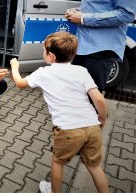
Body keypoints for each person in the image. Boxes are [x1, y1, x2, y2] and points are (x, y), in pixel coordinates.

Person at [10, 32, 109, 193]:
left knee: (58, 162)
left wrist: (15, 68)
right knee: (95, 166)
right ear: (73, 54)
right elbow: (99, 100)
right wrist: (102, 118)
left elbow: (20, 83)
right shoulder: (81, 71)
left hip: (68, 130)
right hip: (92, 127)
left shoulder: (44, 73)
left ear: (51, 56)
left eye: (44, 50)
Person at [65, 0, 136, 92]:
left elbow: (127, 13)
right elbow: (96, 5)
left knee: (91, 100)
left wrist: (83, 18)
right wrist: (77, 10)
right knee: (78, 95)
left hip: (100, 50)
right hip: (84, 46)